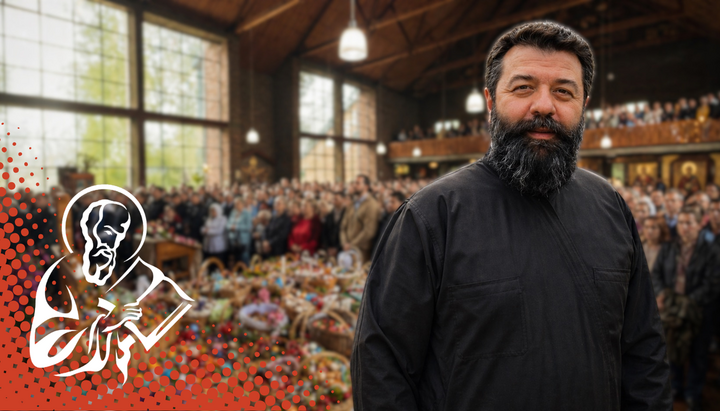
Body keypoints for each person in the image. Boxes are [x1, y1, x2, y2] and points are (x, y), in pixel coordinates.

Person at [352, 22, 670, 410]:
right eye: (523, 88)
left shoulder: (611, 207)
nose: (544, 105)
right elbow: (381, 368)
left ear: (583, 105)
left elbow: (644, 355)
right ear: (490, 101)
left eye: (563, 91)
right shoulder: (431, 216)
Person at [652, 206, 720, 410]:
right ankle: (676, 388)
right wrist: (662, 293)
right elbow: (656, 274)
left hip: (698, 310)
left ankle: (693, 392)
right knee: (673, 350)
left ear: (699, 225)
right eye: (681, 222)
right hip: (672, 310)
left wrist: (687, 302)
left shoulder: (711, 250)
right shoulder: (668, 247)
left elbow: (713, 282)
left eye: (689, 222)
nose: (684, 227)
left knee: (698, 354)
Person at [340, 175, 381, 262]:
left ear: (366, 187)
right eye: (354, 183)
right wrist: (344, 242)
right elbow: (343, 226)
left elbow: (369, 231)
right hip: (347, 248)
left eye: (358, 183)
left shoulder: (372, 205)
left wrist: (351, 244)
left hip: (362, 250)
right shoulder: (352, 203)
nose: (355, 185)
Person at [372, 191, 405, 259]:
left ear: (401, 203)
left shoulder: (402, 222)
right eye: (389, 202)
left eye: (393, 202)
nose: (389, 204)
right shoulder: (385, 218)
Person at [227, 197, 253, 265]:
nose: (236, 205)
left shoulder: (247, 213)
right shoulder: (233, 212)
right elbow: (228, 224)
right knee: (236, 259)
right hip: (233, 239)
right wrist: (231, 227)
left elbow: (248, 227)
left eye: (238, 203)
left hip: (243, 240)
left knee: (244, 258)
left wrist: (236, 227)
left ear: (242, 204)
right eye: (235, 204)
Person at [320, 191, 346, 257]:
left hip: (342, 249)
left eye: (336, 199)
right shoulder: (329, 215)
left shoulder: (347, 214)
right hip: (329, 249)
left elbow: (347, 233)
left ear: (343, 200)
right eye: (333, 199)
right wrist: (327, 247)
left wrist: (338, 248)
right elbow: (325, 232)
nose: (334, 201)